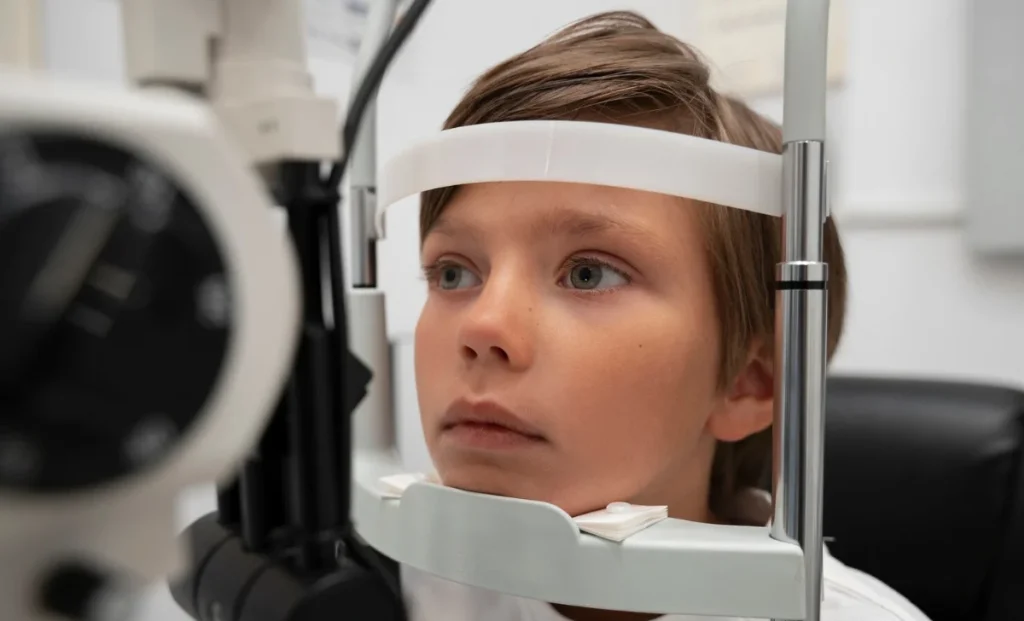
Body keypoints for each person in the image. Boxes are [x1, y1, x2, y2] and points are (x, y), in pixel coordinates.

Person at [399, 10, 932, 621]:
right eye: (454, 273)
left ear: (749, 379)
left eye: (588, 273)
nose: (482, 327)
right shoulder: (433, 570)